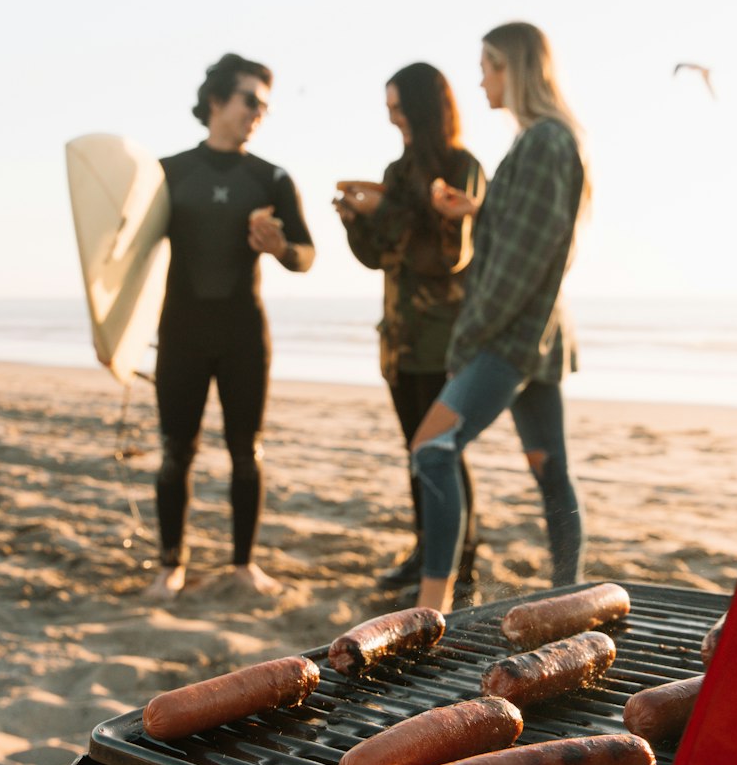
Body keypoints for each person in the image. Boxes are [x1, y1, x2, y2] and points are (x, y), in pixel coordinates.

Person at [410, 22, 590, 614]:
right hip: (536, 336)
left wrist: (470, 335)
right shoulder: (546, 142)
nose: (480, 79)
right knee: (550, 472)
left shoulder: (544, 142)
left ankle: (431, 608)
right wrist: (479, 210)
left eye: (487, 66)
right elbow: (529, 231)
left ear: (513, 68)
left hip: (511, 336)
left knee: (431, 447)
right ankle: (569, 593)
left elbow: (523, 259)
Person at [149, 53, 315, 599]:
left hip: (244, 335)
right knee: (177, 450)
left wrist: (282, 248)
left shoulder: (269, 177)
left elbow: (307, 254)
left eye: (265, 106)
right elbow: (126, 255)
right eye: (251, 100)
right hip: (181, 332)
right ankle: (170, 565)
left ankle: (244, 566)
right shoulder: (168, 172)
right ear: (217, 101)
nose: (258, 113)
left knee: (247, 450)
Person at [335, 63, 485, 599]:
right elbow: (380, 256)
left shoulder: (462, 166)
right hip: (399, 335)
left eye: (397, 106)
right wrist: (357, 220)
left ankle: (460, 561)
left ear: (422, 107)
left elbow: (445, 253)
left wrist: (387, 209)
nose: (390, 115)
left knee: (440, 449)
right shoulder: (397, 171)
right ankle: (427, 548)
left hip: (445, 334)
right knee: (414, 449)